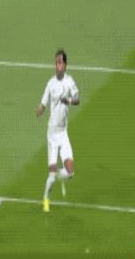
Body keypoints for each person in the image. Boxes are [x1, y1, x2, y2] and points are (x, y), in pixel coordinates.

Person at [36, 50, 80, 213]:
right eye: (56, 63)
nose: (57, 65)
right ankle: (46, 199)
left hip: (63, 133)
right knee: (52, 176)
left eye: (60, 62)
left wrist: (68, 100)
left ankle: (58, 176)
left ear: (65, 65)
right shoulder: (50, 84)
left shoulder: (69, 82)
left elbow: (77, 99)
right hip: (52, 135)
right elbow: (43, 104)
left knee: (70, 172)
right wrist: (40, 110)